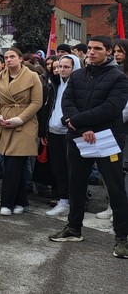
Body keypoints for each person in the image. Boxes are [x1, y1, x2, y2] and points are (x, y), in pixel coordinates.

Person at [49, 36, 128, 259]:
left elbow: (112, 108)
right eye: (90, 48)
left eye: (97, 49)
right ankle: (74, 228)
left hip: (107, 139)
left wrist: (81, 122)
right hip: (79, 137)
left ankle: (122, 237)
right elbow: (67, 103)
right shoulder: (77, 75)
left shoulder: (119, 78)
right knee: (76, 184)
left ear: (109, 51)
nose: (91, 52)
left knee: (115, 189)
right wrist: (78, 126)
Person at [0, 47, 43, 216]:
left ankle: (7, 202)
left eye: (12, 56)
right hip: (4, 122)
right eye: (6, 57)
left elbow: (36, 102)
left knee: (13, 164)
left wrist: (19, 119)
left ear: (20, 59)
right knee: (13, 163)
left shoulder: (33, 77)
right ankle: (21, 201)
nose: (8, 60)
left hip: (24, 123)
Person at [43, 54, 81, 217]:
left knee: (73, 170)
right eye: (59, 66)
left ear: (75, 68)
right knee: (58, 169)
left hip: (70, 132)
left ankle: (77, 202)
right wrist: (44, 130)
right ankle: (63, 201)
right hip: (53, 132)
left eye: (66, 67)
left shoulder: (79, 85)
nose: (61, 70)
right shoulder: (55, 83)